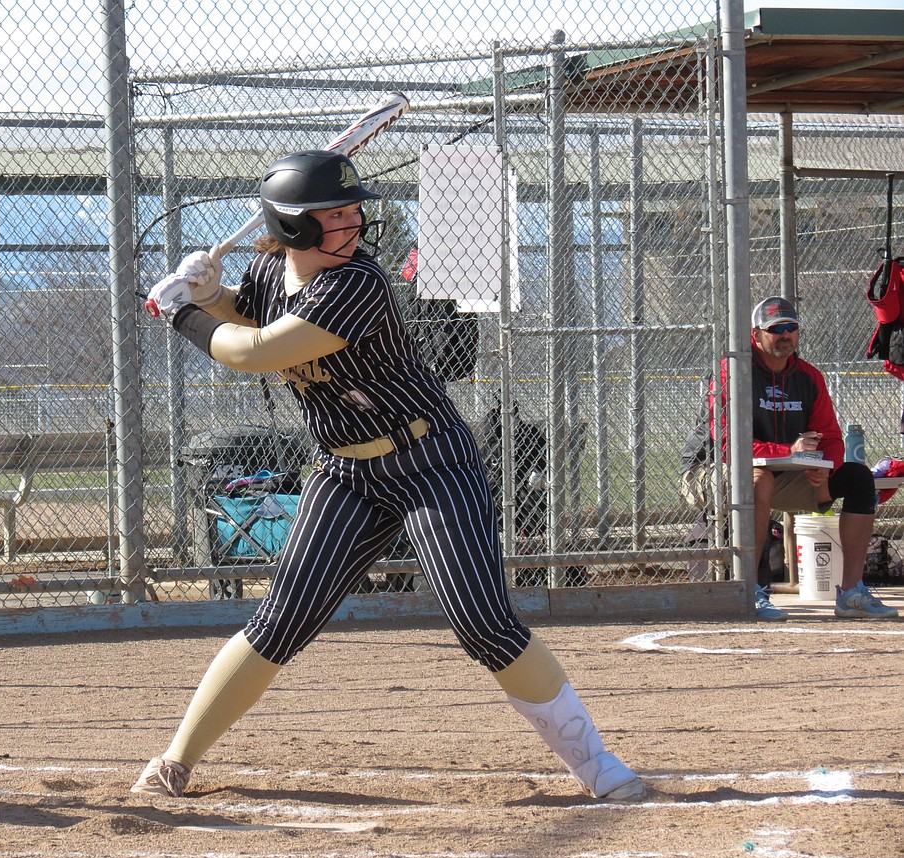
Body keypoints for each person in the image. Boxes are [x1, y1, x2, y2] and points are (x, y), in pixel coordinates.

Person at [134, 150, 646, 801]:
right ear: (293, 228)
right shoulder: (268, 269)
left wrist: (182, 313)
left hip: (429, 463)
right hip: (345, 472)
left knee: (483, 622)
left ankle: (598, 764)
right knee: (279, 621)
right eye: (337, 214)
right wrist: (210, 293)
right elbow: (250, 310)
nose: (355, 223)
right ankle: (175, 759)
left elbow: (258, 350)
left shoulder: (357, 285)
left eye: (354, 210)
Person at [683, 295, 897, 621]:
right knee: (757, 478)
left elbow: (832, 438)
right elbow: (728, 444)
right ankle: (750, 590)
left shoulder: (809, 377)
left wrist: (825, 468)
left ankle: (852, 591)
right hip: (710, 469)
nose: (785, 335)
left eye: (791, 328)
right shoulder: (731, 372)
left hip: (781, 473)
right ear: (755, 335)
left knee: (857, 478)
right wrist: (789, 453)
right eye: (776, 329)